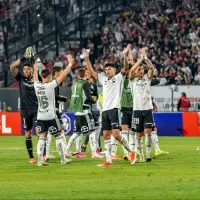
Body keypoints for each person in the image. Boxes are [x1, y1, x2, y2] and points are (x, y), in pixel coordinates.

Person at [83, 47, 136, 167]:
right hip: (105, 111)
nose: (107, 71)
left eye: (109, 69)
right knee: (106, 136)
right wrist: (86, 58)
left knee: (116, 135)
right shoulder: (103, 79)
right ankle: (108, 160)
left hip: (114, 109)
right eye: (106, 69)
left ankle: (132, 152)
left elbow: (126, 68)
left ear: (114, 70)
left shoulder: (118, 78)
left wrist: (124, 55)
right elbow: (91, 71)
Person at [33, 54, 73, 166]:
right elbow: (64, 74)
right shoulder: (51, 85)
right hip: (51, 116)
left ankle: (40, 160)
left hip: (40, 116)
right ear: (49, 76)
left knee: (42, 138)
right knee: (59, 135)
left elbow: (35, 76)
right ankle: (62, 159)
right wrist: (69, 63)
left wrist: (36, 67)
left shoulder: (36, 85)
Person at [65, 68, 103, 158]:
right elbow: (89, 97)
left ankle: (66, 151)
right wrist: (93, 101)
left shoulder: (74, 84)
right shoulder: (85, 84)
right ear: (85, 75)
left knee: (76, 133)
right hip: (85, 111)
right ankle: (94, 152)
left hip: (77, 112)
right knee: (93, 131)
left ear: (78, 75)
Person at [10, 47, 38, 163]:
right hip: (25, 109)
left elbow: (42, 69)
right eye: (24, 69)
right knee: (28, 132)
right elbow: (12, 67)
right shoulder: (20, 78)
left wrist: (34, 59)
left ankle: (44, 154)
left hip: (36, 108)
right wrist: (24, 58)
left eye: (28, 69)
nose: (26, 71)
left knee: (40, 131)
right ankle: (31, 157)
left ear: (32, 70)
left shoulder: (37, 78)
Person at [129, 48, 155, 162]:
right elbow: (131, 71)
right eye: (139, 69)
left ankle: (148, 155)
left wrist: (146, 58)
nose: (141, 71)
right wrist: (140, 60)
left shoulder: (147, 80)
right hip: (137, 110)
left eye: (142, 69)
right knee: (139, 134)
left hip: (148, 109)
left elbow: (152, 68)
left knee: (148, 132)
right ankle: (141, 155)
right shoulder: (132, 81)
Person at [44, 66, 70, 161]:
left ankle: (46, 154)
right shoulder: (54, 82)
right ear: (57, 73)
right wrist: (64, 99)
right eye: (61, 71)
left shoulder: (53, 81)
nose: (62, 73)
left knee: (50, 132)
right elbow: (54, 97)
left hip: (49, 110)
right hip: (53, 110)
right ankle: (64, 152)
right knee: (59, 131)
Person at [80, 75, 102, 153]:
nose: (89, 79)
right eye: (88, 77)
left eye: (91, 77)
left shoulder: (94, 86)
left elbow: (97, 96)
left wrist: (94, 99)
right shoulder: (85, 85)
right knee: (93, 129)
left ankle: (96, 146)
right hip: (89, 109)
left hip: (96, 110)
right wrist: (91, 100)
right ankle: (94, 147)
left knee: (96, 128)